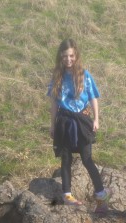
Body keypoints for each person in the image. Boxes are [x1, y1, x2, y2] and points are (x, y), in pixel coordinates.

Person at [47, 38, 112, 213]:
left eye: (71, 56)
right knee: (66, 159)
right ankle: (67, 195)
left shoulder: (84, 74)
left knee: (87, 159)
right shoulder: (57, 76)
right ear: (60, 58)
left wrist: (96, 119)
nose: (68, 60)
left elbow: (93, 97)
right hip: (64, 122)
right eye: (64, 57)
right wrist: (52, 125)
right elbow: (54, 103)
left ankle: (100, 195)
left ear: (76, 55)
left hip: (82, 121)